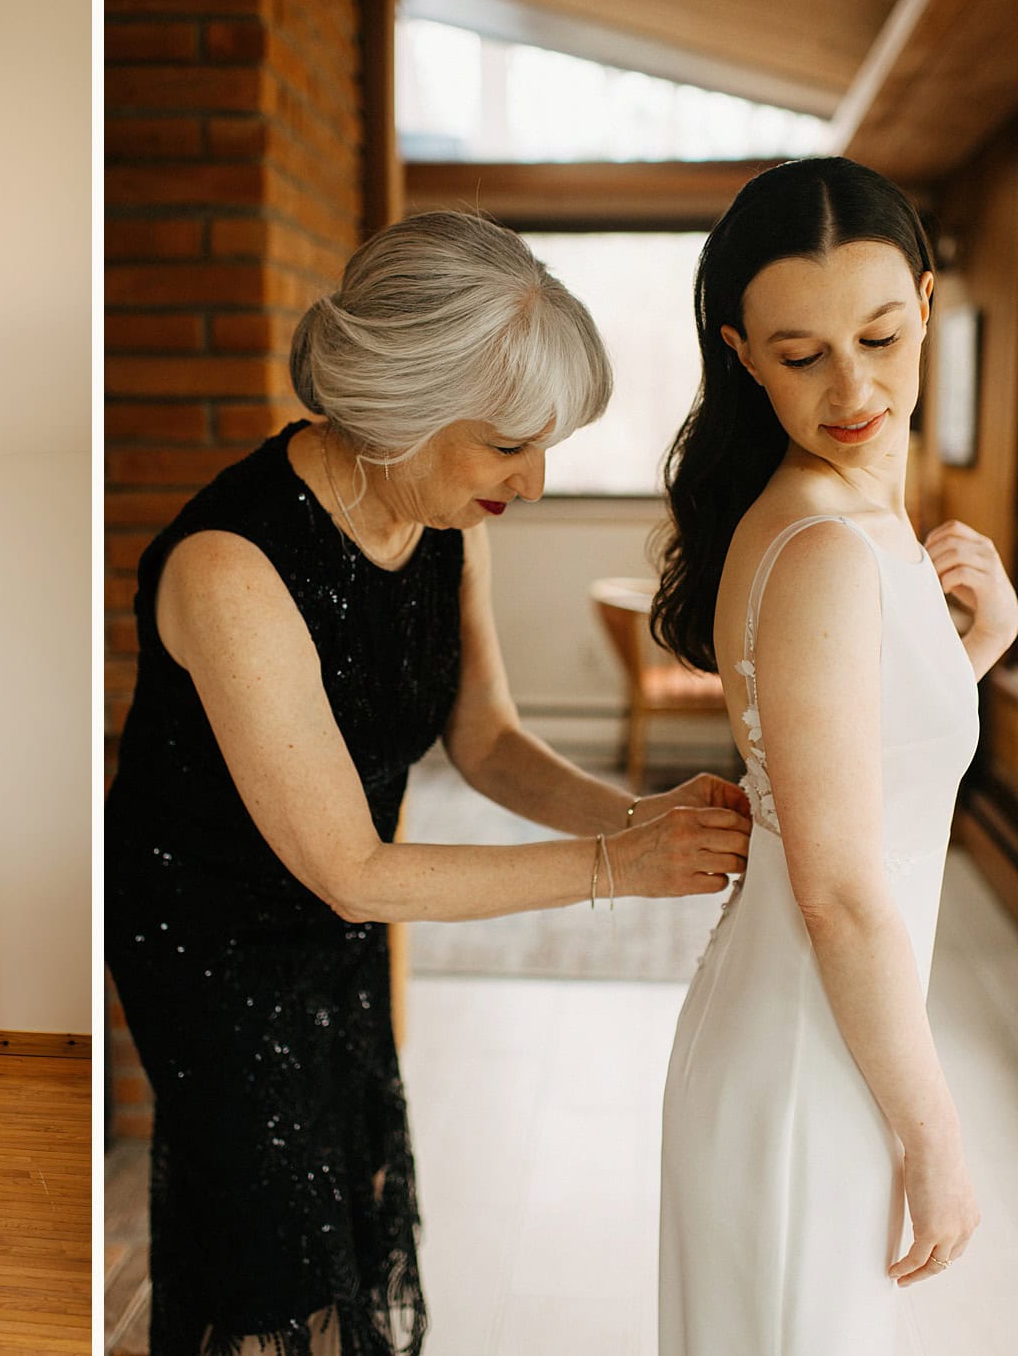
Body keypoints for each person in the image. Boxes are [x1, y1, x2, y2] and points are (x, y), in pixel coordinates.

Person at [104, 211, 754, 1356]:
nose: (536, 481)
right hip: (213, 941)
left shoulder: (446, 521)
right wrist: (615, 867)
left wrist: (638, 814)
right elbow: (355, 871)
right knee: (273, 1236)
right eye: (509, 443)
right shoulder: (229, 565)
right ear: (401, 404)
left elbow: (487, 742)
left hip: (342, 917)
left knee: (348, 1185)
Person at [651, 156, 1012, 1354]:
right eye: (801, 355)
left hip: (828, 1030)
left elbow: (866, 760)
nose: (853, 387)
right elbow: (843, 889)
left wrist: (981, 644)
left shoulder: (859, 512)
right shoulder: (818, 545)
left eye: (880, 336)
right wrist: (936, 1137)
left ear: (922, 299)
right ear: (740, 352)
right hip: (810, 1052)